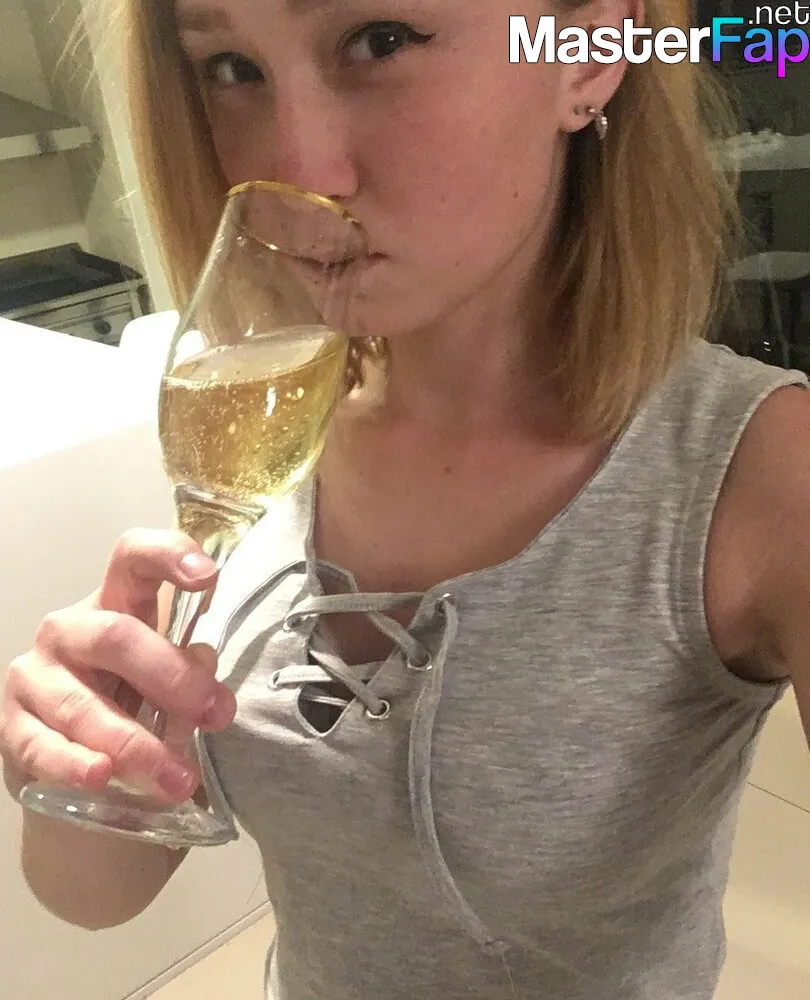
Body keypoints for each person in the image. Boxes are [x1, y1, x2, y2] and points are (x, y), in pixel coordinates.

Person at [2, 0, 809, 997]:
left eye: (381, 40)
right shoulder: (275, 419)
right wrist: (79, 753)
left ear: (590, 55)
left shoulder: (759, 472)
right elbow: (93, 894)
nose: (297, 170)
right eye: (232, 69)